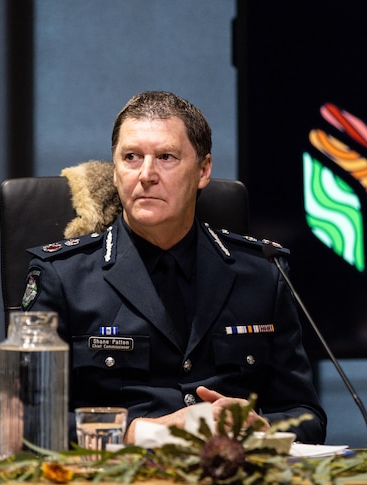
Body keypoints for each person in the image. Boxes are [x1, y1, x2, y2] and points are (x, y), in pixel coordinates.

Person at [22, 91, 327, 445]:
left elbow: (307, 416)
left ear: (203, 170)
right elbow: (28, 421)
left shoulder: (262, 273)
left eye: (166, 157)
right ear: (116, 170)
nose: (146, 174)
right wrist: (151, 432)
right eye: (131, 157)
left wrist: (262, 428)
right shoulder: (63, 275)